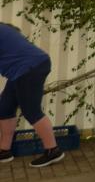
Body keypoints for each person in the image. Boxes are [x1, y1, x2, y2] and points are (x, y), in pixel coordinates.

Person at [0, 23, 65, 168]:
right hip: (21, 68)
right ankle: (4, 151)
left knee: (31, 111)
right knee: (5, 107)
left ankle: (53, 150)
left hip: (29, 67)